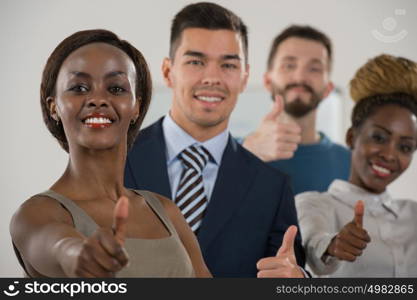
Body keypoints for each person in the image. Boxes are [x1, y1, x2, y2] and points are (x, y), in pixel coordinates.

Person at [10, 29, 211, 278]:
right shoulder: (35, 214)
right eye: (79, 87)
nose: (97, 99)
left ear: (136, 106)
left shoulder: (165, 209)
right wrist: (77, 253)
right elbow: (59, 246)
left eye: (115, 89)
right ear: (54, 107)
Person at [125, 2, 305, 278]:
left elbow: (291, 272)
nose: (212, 78)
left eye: (228, 65)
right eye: (196, 62)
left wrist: (297, 281)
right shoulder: (117, 160)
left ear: (244, 77)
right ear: (167, 71)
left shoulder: (273, 188)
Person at [296, 54, 417, 277]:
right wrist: (333, 245)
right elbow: (314, 247)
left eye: (406, 147)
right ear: (352, 137)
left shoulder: (413, 214)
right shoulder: (314, 204)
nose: (390, 155)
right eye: (379, 138)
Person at [242, 25, 350, 195]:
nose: (300, 77)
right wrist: (247, 154)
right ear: (268, 81)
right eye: (289, 65)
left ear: (328, 89)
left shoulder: (350, 163)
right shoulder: (230, 153)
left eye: (314, 68)